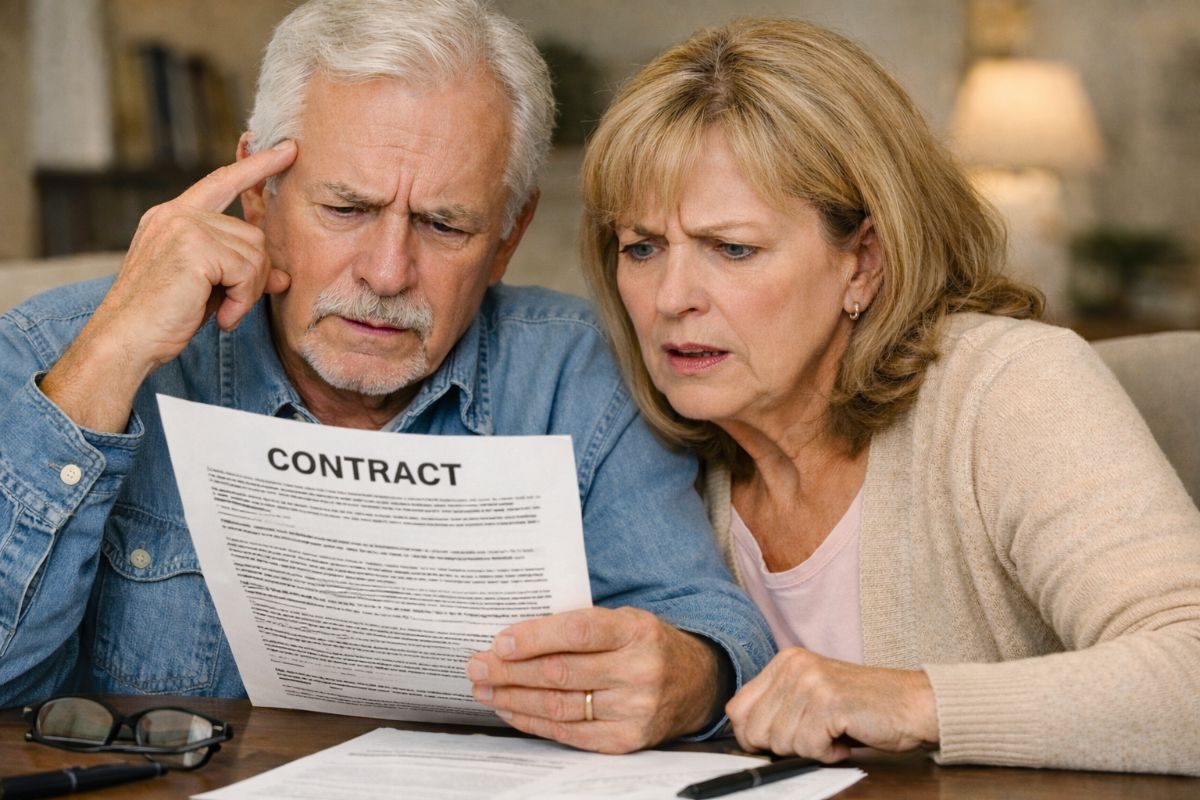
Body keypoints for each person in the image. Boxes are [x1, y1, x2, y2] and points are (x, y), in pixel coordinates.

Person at [0, 0, 775, 754]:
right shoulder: (59, 350)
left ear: (508, 237)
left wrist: (688, 678)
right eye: (347, 209)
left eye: (444, 224)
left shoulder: (578, 374)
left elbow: (713, 633)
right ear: (258, 195)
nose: (387, 272)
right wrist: (106, 362)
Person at [580, 17, 1200, 775]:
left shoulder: (1008, 389)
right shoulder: (641, 447)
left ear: (864, 261)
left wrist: (911, 701)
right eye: (642, 247)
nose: (671, 297)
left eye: (732, 248)